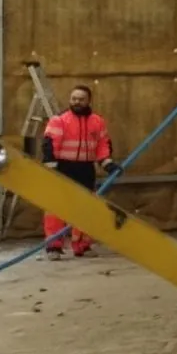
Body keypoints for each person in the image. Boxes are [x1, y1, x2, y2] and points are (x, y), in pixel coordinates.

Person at [41, 85, 117, 258]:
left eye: (81, 99)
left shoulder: (97, 121)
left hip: (85, 169)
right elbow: (49, 145)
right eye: (74, 98)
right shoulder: (59, 120)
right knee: (56, 208)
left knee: (85, 208)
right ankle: (54, 246)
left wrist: (107, 163)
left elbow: (102, 144)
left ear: (89, 101)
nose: (77, 102)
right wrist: (51, 168)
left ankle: (82, 245)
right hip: (63, 168)